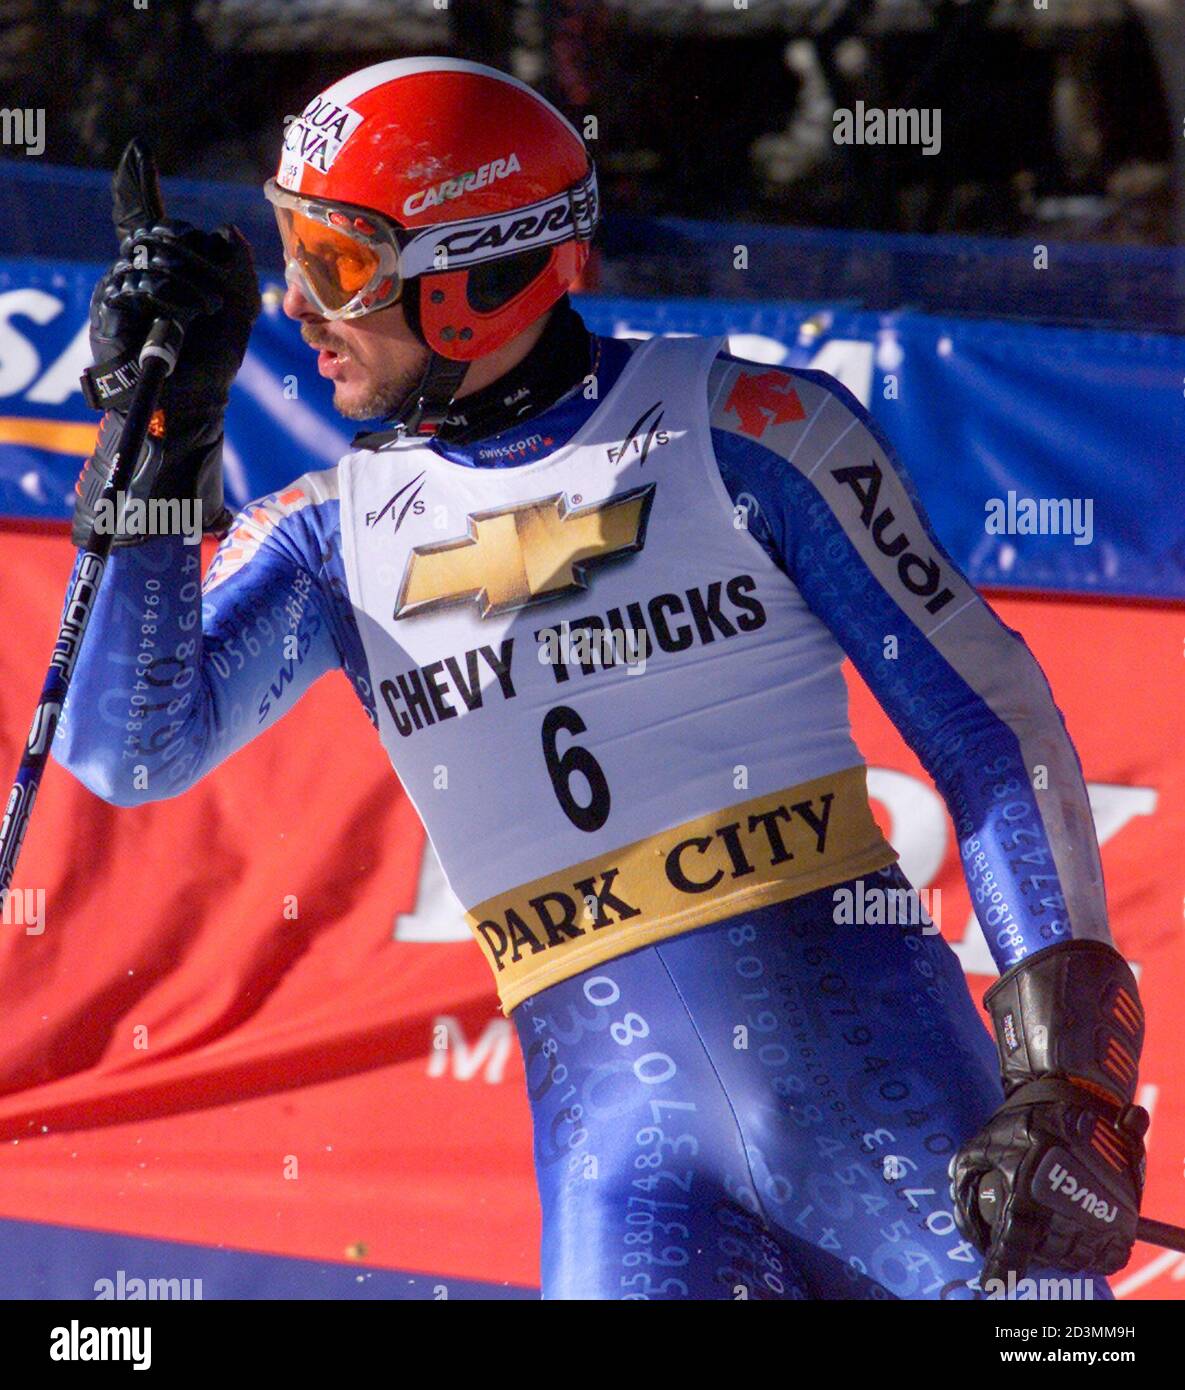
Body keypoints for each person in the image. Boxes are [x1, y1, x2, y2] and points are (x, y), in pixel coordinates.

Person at [57, 57, 1148, 1300]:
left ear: (477, 270)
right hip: (632, 1184)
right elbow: (127, 750)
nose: (296, 304)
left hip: (906, 1126)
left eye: (340, 262)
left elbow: (992, 729)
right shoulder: (329, 537)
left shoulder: (753, 428)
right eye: (289, 249)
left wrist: (1075, 1076)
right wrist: (153, 435)